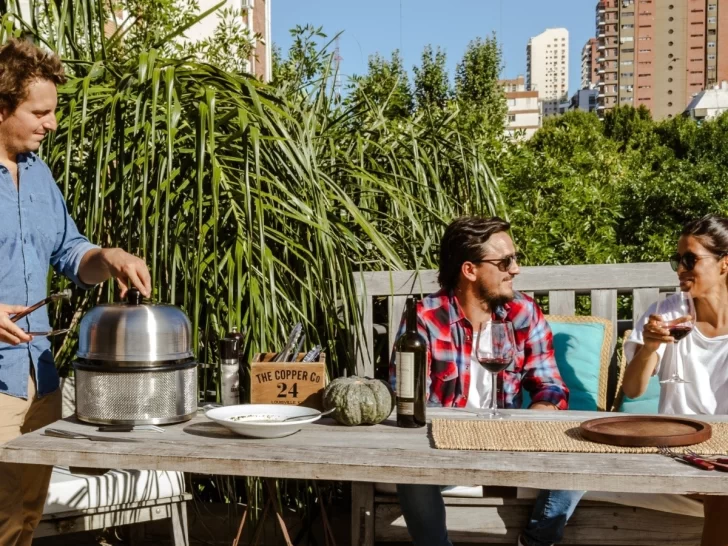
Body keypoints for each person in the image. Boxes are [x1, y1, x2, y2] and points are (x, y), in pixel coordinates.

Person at [0, 38, 152, 546]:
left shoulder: (40, 176)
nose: (52, 123)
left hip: (39, 379)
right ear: (2, 108)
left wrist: (107, 258)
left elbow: (70, 254)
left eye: (54, 111)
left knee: (24, 519)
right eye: (39, 112)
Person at [390, 216, 584, 546]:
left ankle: (536, 541)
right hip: (441, 449)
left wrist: (539, 414)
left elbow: (549, 382)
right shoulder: (425, 318)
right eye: (505, 261)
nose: (516, 269)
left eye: (515, 259)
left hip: (508, 444)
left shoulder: (523, 312)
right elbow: (405, 398)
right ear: (470, 270)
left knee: (579, 456)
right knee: (408, 469)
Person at [622, 214, 728, 546]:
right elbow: (633, 389)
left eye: (690, 259)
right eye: (677, 259)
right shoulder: (665, 315)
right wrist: (650, 345)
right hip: (683, 447)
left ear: (724, 264)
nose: (681, 268)